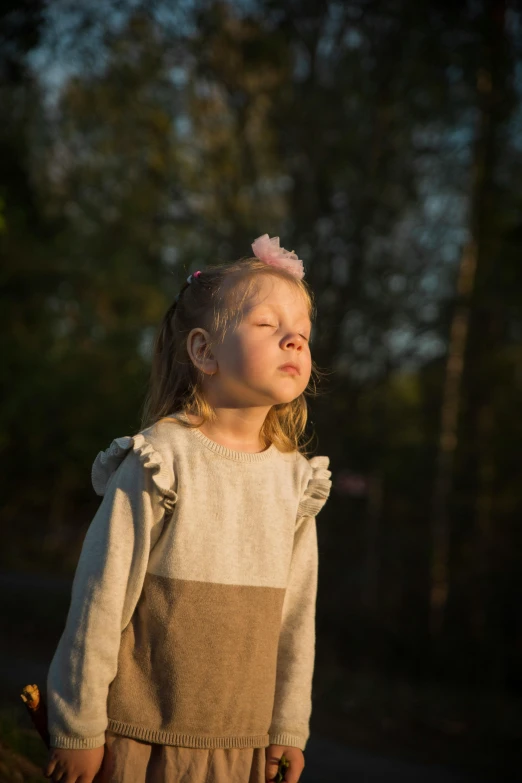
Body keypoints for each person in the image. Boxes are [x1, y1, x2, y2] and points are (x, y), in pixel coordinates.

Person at [43, 234, 332, 783]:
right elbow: (99, 600)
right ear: (204, 352)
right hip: (138, 741)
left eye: (303, 332)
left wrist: (287, 729)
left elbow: (297, 620)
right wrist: (77, 726)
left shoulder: (296, 482)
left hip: (241, 748)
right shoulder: (158, 461)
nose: (294, 340)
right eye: (270, 326)